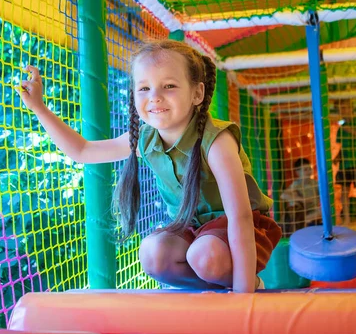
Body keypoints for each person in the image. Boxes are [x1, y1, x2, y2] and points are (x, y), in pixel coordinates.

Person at [16, 40, 281, 293]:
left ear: (197, 93)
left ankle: (247, 285)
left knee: (204, 255)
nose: (154, 97)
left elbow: (241, 218)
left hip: (246, 233)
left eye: (169, 86)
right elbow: (83, 151)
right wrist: (39, 108)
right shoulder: (146, 139)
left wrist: (246, 295)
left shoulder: (216, 141)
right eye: (144, 88)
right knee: (152, 254)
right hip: (193, 232)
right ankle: (211, 294)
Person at [280, 158, 321, 236]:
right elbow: (283, 195)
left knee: (321, 211)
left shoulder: (314, 183)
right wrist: (302, 199)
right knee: (293, 196)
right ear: (298, 172)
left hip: (312, 212)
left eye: (310, 169)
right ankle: (301, 220)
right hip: (301, 211)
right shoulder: (296, 184)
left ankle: (303, 220)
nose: (308, 171)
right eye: (305, 169)